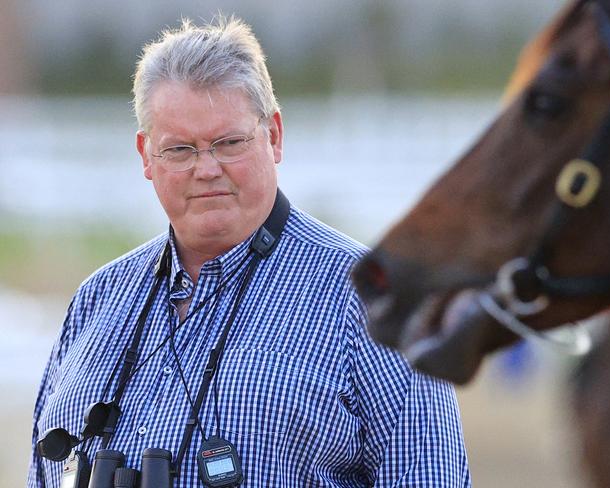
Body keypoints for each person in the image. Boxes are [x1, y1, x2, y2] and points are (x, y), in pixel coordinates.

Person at [28, 17, 471, 487]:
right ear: (145, 156)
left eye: (229, 143)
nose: (207, 168)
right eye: (179, 149)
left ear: (274, 135)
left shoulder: (375, 296)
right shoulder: (97, 299)